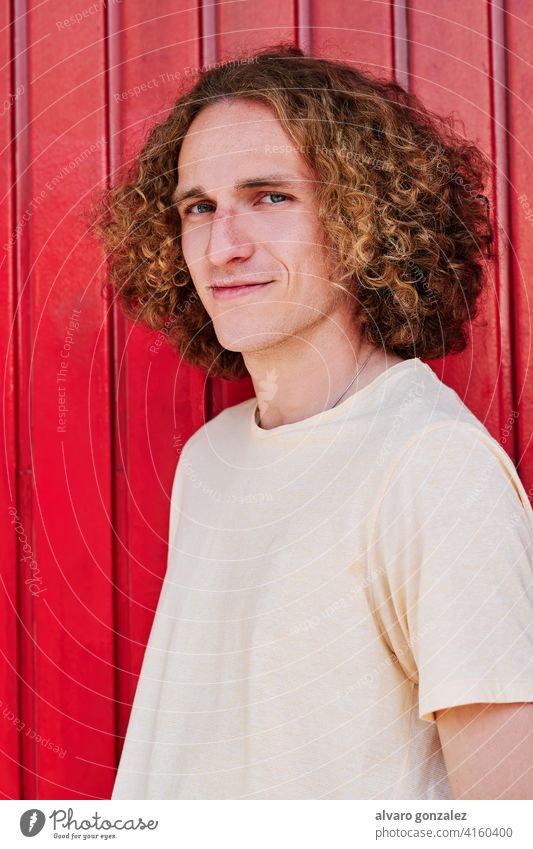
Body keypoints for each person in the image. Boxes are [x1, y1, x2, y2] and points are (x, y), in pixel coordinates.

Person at [90, 44, 533, 800]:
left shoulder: (430, 465)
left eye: (269, 196)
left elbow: (508, 813)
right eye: (199, 206)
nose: (222, 246)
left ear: (365, 215)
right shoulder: (212, 457)